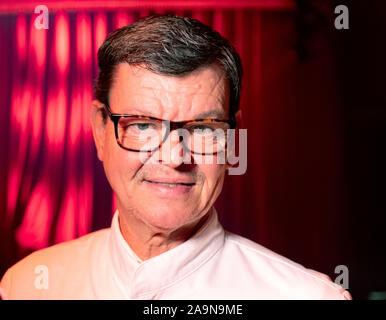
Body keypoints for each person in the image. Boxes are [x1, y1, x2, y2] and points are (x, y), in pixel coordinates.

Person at [0, 15, 351, 300]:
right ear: (100, 131)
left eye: (203, 128)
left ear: (232, 139)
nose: (174, 156)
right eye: (143, 125)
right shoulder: (25, 287)